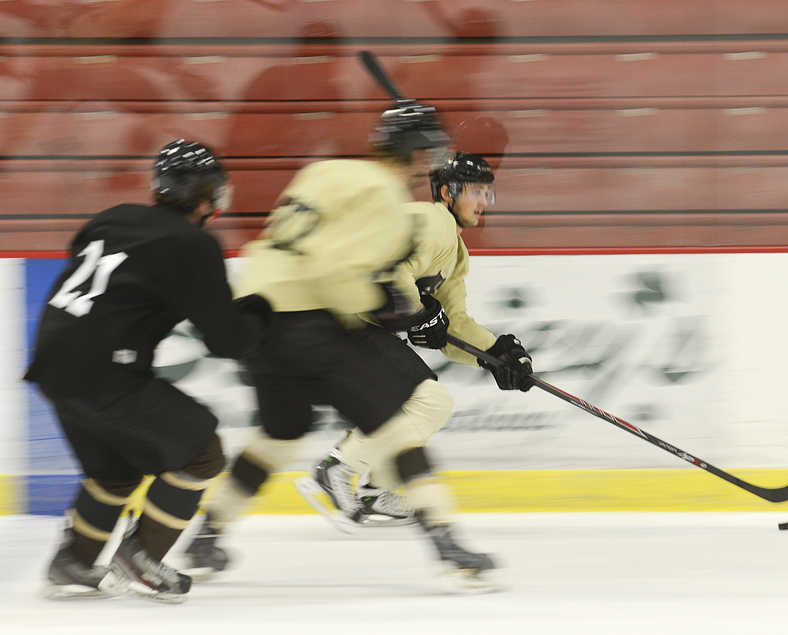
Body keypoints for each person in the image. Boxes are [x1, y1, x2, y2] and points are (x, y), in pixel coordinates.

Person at [183, 103, 504, 587]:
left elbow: (286, 249)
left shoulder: (324, 173)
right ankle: (446, 540)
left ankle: (207, 534)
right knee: (396, 428)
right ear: (418, 154)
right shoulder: (383, 195)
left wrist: (484, 346)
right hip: (309, 322)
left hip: (258, 317)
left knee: (280, 433)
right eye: (428, 151)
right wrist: (384, 300)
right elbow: (332, 271)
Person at [25, 139, 273, 602]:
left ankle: (74, 560)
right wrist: (259, 310)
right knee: (202, 452)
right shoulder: (193, 243)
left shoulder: (111, 216)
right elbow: (227, 341)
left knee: (114, 471)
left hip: (50, 363)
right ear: (207, 198)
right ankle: (141, 555)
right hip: (105, 371)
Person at [300, 152, 534, 530]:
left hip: (351, 324)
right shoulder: (432, 221)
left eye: (487, 194)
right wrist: (421, 312)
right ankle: (336, 470)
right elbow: (390, 272)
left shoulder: (455, 252)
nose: (482, 202)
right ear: (446, 193)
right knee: (429, 400)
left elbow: (452, 324)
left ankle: (379, 491)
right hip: (336, 319)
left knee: (415, 405)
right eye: (474, 191)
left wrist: (495, 354)